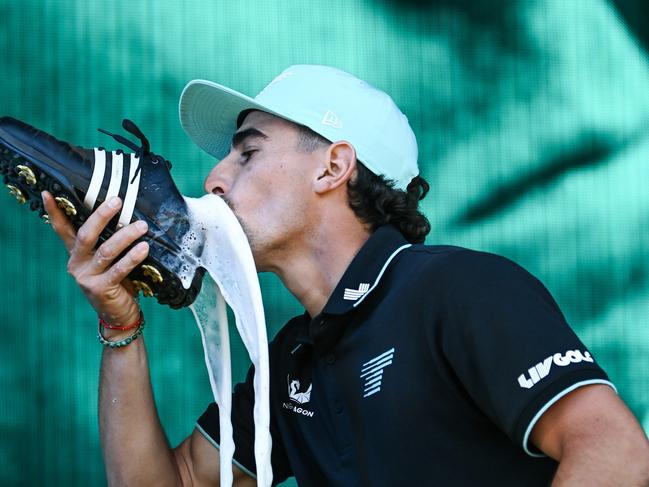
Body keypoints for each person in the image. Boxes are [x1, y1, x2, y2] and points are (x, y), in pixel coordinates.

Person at [42, 65, 649, 486]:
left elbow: (617, 454)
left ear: (333, 167)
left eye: (246, 152)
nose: (214, 180)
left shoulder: (458, 289)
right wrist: (119, 325)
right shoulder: (292, 359)